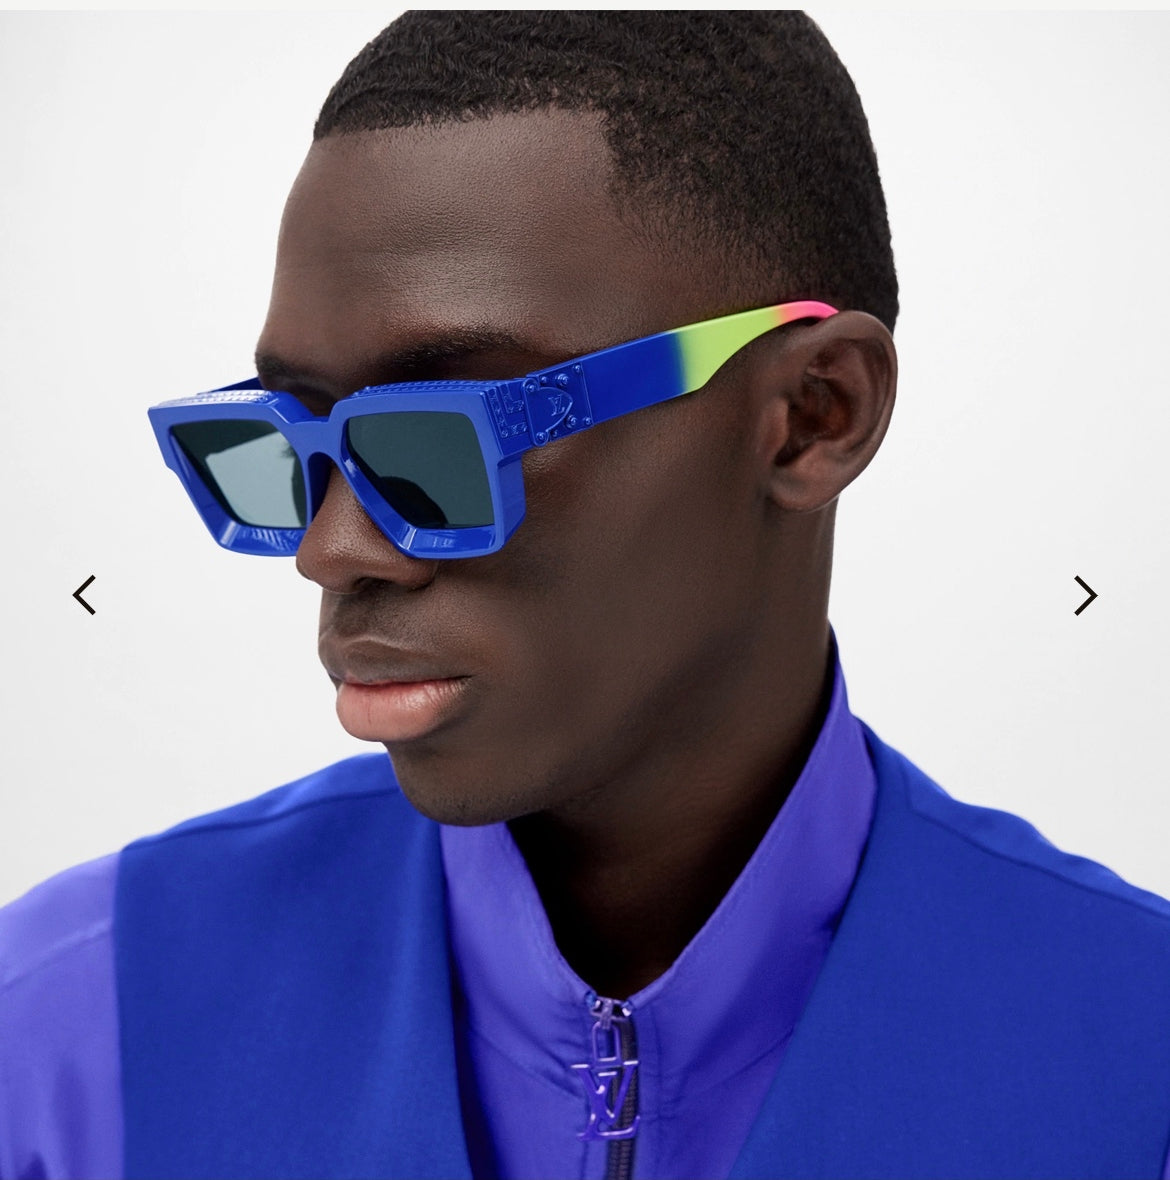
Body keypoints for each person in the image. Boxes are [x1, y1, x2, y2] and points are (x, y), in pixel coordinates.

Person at [3, 12, 1170, 1179]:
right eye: (284, 442)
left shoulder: (1136, 1066)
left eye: (444, 439)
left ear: (815, 414)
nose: (333, 547)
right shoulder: (68, 1030)